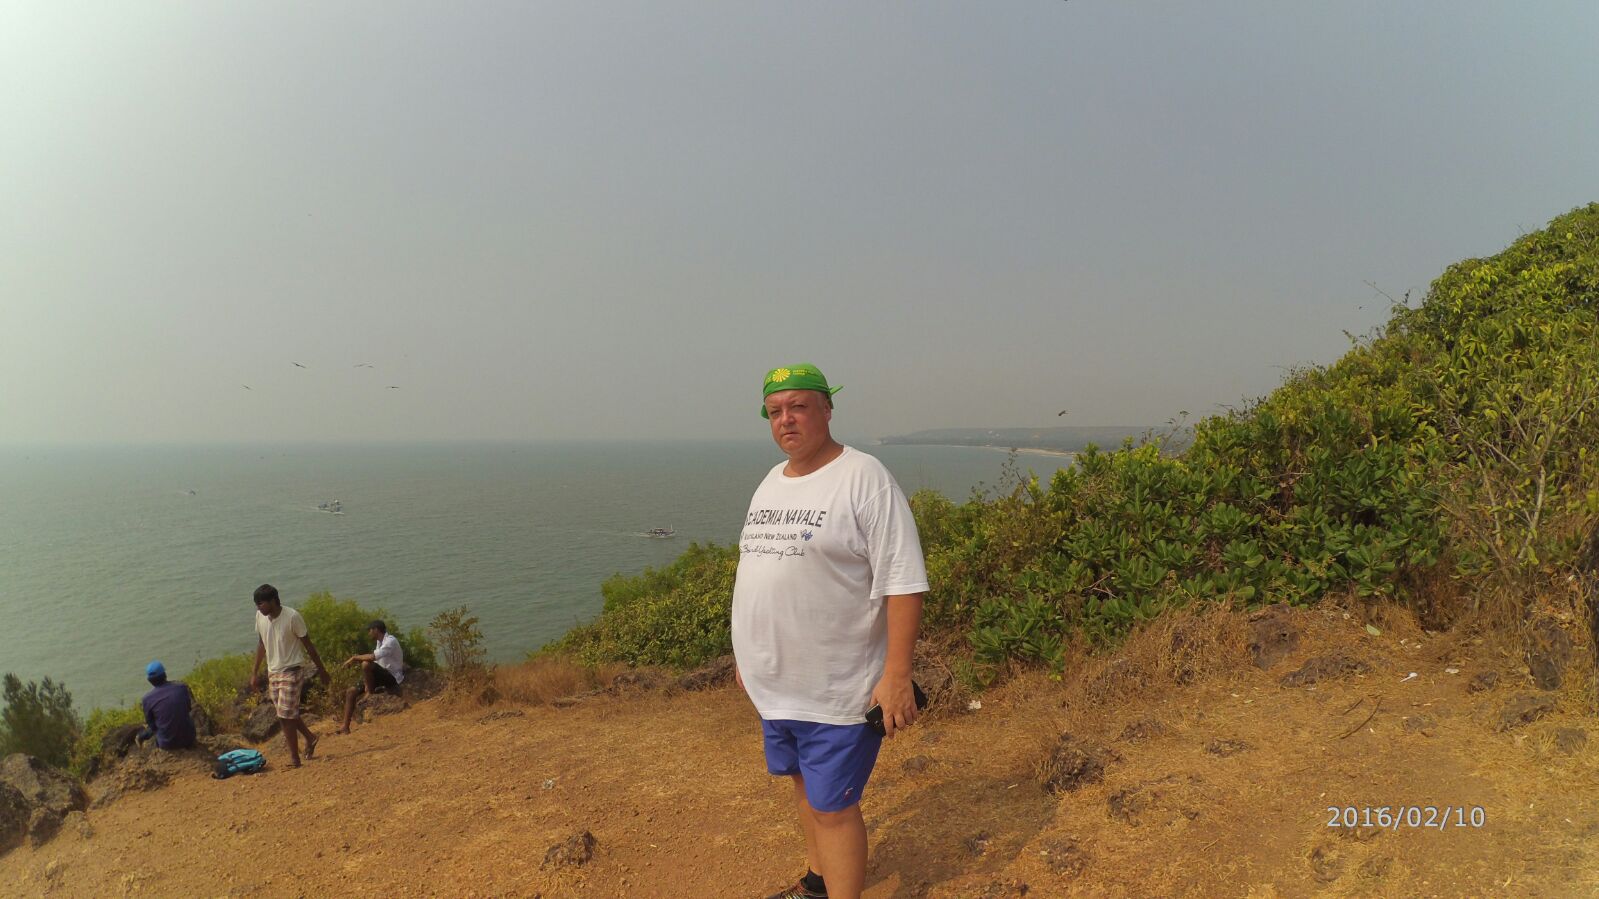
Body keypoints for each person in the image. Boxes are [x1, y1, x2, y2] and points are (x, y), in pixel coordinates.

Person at [732, 364, 929, 899]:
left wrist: (897, 675)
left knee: (833, 808)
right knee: (803, 785)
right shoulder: (772, 482)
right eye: (775, 411)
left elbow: (903, 581)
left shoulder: (864, 477)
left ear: (826, 409)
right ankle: (817, 884)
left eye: (798, 406)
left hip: (839, 688)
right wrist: (747, 656)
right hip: (777, 685)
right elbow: (757, 571)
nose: (786, 419)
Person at [249, 584, 332, 768]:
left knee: (285, 715)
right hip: (273, 671)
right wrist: (254, 672)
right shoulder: (260, 617)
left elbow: (308, 645)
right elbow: (262, 643)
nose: (258, 608)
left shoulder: (292, 616)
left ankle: (295, 759)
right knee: (285, 714)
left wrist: (322, 670)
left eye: (261, 603)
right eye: (256, 604)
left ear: (273, 601)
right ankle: (310, 737)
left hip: (292, 670)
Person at [337, 619, 405, 734]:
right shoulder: (379, 642)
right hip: (379, 674)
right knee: (351, 691)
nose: (369, 633)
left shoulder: (390, 641)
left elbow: (373, 657)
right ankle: (345, 726)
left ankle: (369, 691)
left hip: (391, 675)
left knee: (366, 664)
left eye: (370, 630)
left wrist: (354, 658)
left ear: (376, 630)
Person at [137, 660, 197, 751]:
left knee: (156, 728)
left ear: (149, 680)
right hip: (189, 739)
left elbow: (152, 726)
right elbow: (188, 708)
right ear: (165, 675)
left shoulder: (147, 699)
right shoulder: (181, 688)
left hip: (167, 744)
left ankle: (141, 738)